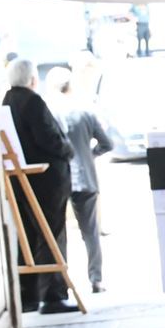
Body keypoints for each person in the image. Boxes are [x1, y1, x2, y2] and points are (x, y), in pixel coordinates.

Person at [1, 60, 75, 315]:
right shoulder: (32, 102)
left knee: (28, 236)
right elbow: (48, 138)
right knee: (50, 235)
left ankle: (29, 295)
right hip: (46, 182)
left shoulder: (6, 102)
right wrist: (68, 150)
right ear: (33, 79)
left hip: (22, 180)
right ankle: (53, 295)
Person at [45, 67, 112, 295]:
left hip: (57, 180)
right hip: (85, 177)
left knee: (58, 233)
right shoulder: (85, 111)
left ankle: (62, 281)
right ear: (70, 86)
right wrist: (90, 155)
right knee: (90, 232)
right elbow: (107, 143)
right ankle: (96, 279)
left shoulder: (49, 112)